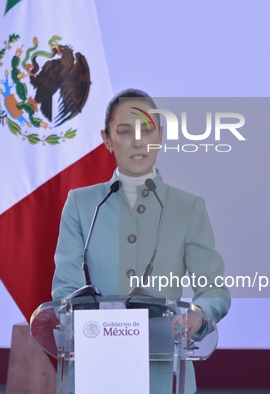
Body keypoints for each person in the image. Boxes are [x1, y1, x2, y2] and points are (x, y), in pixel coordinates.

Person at [52, 88, 231, 393]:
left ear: (160, 135)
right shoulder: (82, 205)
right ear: (107, 139)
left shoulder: (188, 208)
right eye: (124, 131)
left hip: (163, 377)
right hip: (93, 374)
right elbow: (65, 293)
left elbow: (214, 289)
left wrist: (198, 315)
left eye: (146, 129)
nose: (138, 141)